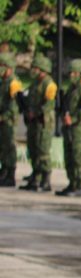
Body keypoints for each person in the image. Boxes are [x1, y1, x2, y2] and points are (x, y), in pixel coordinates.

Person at [58, 59, 81, 197]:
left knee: (79, 157)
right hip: (69, 128)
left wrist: (73, 119)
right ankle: (72, 183)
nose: (71, 75)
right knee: (69, 156)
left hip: (79, 129)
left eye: (74, 72)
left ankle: (80, 186)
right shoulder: (72, 88)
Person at [20, 55, 56, 193]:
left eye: (36, 68)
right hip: (33, 122)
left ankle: (46, 180)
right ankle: (35, 177)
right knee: (33, 149)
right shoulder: (35, 83)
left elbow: (49, 104)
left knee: (43, 151)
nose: (33, 70)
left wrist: (36, 113)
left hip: (43, 122)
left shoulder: (49, 84)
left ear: (43, 70)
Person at [0, 53, 22, 187]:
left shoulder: (14, 83)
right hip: (3, 119)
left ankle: (10, 175)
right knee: (2, 146)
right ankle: (4, 171)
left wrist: (4, 117)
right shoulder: (4, 81)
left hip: (9, 120)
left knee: (9, 146)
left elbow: (14, 106)